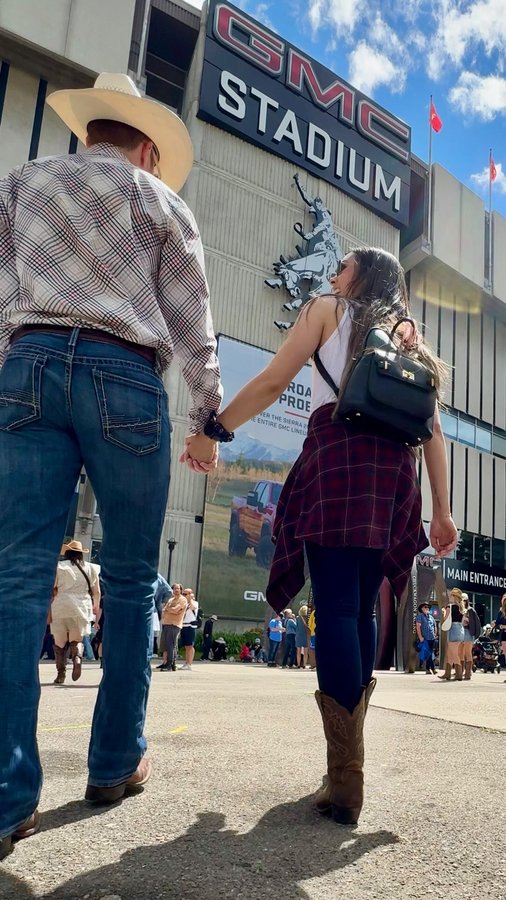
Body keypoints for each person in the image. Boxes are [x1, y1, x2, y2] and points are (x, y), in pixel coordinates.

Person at [0, 71, 223, 857]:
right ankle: (114, 763)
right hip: (125, 374)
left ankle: (5, 795)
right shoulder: (159, 199)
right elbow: (194, 321)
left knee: (14, 578)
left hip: (26, 366)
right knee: (131, 582)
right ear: (149, 150)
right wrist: (206, 418)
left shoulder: (24, 182)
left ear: (88, 130)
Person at [182, 247, 458, 825]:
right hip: (393, 476)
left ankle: (345, 775)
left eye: (341, 267)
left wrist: (215, 429)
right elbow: (432, 432)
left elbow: (274, 379)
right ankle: (346, 770)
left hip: (339, 457)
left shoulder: (329, 309)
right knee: (360, 610)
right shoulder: (410, 341)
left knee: (333, 607)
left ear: (358, 276)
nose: (333, 275)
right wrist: (442, 512)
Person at [50, 541, 100, 685]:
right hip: (82, 606)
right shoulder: (91, 568)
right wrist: (95, 606)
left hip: (61, 605)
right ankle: (77, 658)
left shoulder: (59, 567)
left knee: (59, 643)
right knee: (75, 640)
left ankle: (60, 675)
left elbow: (53, 587)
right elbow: (96, 591)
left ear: (66, 553)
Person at [157, 584, 187, 672]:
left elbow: (176, 610)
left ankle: (170, 665)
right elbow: (164, 609)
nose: (176, 590)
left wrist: (168, 609)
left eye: (178, 588)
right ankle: (169, 663)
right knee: (167, 645)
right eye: (174, 588)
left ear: (181, 590)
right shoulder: (170, 600)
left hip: (174, 624)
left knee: (171, 645)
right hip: (166, 623)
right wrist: (169, 609)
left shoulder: (182, 599)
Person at [439, 588, 466, 681]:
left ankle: (458, 674)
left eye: (451, 595)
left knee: (453, 653)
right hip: (460, 629)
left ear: (454, 597)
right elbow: (463, 622)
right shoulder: (461, 608)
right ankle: (447, 673)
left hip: (453, 629)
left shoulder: (449, 607)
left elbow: (446, 619)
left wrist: (443, 612)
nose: (449, 596)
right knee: (450, 653)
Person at [460, 593, 481, 680]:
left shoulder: (471, 610)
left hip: (468, 631)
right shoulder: (458, 609)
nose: (463, 602)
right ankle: (460, 672)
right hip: (459, 631)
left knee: (467, 653)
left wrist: (475, 635)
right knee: (460, 653)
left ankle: (468, 673)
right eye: (461, 600)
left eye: (465, 600)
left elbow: (476, 623)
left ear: (467, 601)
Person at [415, 602, 437, 675]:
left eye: (427, 607)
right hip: (425, 639)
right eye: (425, 607)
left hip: (432, 638)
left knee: (430, 653)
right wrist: (420, 637)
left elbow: (434, 626)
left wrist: (435, 633)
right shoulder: (420, 616)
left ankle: (427, 669)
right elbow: (418, 627)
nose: (427, 608)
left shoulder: (431, 617)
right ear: (421, 609)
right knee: (429, 654)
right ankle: (433, 668)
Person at [179, 589, 199, 670]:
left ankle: (189, 663)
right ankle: (186, 662)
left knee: (190, 645)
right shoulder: (183, 603)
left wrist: (190, 599)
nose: (184, 595)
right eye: (183, 594)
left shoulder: (195, 603)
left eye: (185, 594)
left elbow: (193, 608)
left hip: (190, 626)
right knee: (186, 646)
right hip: (183, 625)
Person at [495, 594, 506, 678]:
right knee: (505, 653)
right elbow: (497, 623)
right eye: (503, 599)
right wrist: (501, 626)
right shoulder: (501, 611)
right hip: (504, 634)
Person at [295, 605, 309, 669]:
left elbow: (296, 627)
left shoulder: (298, 618)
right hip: (306, 635)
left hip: (299, 635)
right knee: (306, 651)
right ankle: (304, 664)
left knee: (298, 651)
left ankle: (298, 664)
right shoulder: (307, 618)